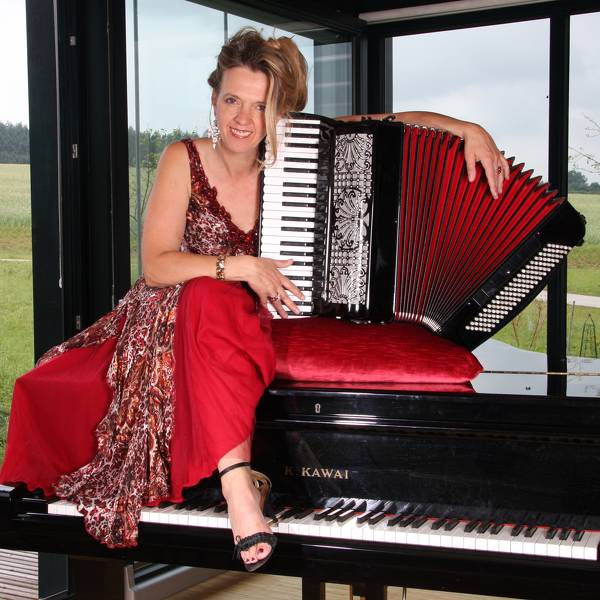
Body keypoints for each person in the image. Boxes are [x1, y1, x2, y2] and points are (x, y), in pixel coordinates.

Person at [0, 28, 509, 571]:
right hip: (175, 311)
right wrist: (237, 266)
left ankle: (240, 483)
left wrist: (466, 128)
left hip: (250, 317)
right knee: (206, 294)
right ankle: (239, 486)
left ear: (280, 112)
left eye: (261, 106)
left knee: (219, 299)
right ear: (214, 97)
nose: (242, 119)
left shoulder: (301, 155)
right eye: (231, 100)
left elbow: (387, 122)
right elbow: (157, 265)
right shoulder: (183, 158)